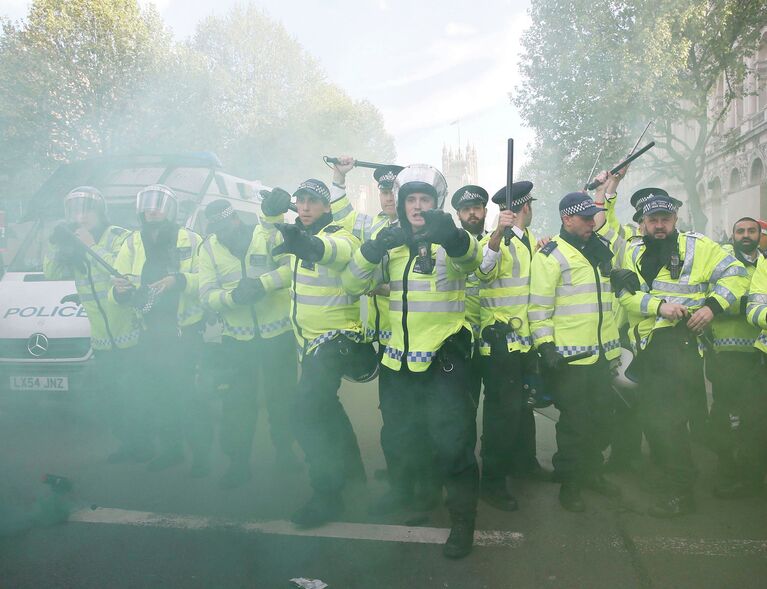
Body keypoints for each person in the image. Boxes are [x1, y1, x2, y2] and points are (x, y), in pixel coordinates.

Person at [344, 164, 482, 559]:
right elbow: (354, 283)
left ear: (435, 204)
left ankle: (462, 520)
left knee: (454, 443)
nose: (417, 206)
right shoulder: (387, 241)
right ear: (402, 205)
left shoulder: (449, 240)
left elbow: (472, 263)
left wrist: (454, 238)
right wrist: (372, 250)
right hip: (397, 359)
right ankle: (406, 493)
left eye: (425, 199)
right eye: (411, 200)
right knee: (399, 434)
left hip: (443, 358)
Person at [614, 192, 748, 517]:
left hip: (682, 345)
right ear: (643, 223)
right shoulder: (632, 250)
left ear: (675, 219)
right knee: (661, 420)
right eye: (652, 220)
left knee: (669, 420)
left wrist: (712, 307)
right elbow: (626, 297)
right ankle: (689, 476)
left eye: (665, 219)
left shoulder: (699, 245)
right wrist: (658, 305)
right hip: (647, 348)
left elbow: (737, 275)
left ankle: (682, 491)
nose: (659, 226)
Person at [270, 177, 370, 527]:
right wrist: (271, 215)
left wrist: (303, 242)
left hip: (333, 343)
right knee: (327, 408)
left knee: (304, 415)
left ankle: (327, 495)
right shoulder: (295, 233)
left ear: (328, 206)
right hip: (307, 344)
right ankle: (355, 474)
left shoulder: (343, 235)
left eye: (314, 201)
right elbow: (273, 246)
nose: (306, 206)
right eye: (301, 201)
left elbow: (328, 251)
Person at [528, 192, 622, 513]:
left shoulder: (598, 249)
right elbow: (538, 309)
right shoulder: (550, 255)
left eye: (593, 217)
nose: (591, 223)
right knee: (574, 425)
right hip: (569, 360)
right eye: (585, 218)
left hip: (602, 356)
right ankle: (571, 483)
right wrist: (546, 347)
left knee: (603, 418)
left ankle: (592, 473)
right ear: (567, 219)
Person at [197, 197, 299, 489]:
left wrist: (262, 284)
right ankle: (238, 462)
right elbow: (205, 294)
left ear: (236, 220)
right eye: (215, 230)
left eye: (224, 226)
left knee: (283, 398)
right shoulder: (209, 248)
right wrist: (232, 298)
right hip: (236, 340)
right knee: (238, 404)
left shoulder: (267, 235)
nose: (221, 235)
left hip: (277, 334)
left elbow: (292, 269)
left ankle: (285, 451)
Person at [111, 185, 212, 476]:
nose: (151, 210)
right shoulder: (131, 243)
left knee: (189, 397)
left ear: (170, 210)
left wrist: (178, 280)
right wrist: (119, 292)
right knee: (159, 395)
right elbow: (116, 285)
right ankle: (171, 450)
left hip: (184, 334)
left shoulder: (190, 239)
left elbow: (205, 277)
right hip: (149, 332)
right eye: (147, 206)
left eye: (158, 205)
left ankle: (202, 456)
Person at [44, 186, 146, 462]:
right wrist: (57, 245)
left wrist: (91, 245)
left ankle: (147, 444)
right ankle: (128, 445)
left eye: (87, 209)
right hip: (101, 337)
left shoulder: (120, 237)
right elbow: (52, 274)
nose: (81, 216)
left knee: (136, 394)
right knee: (113, 397)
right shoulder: (74, 242)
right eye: (75, 211)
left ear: (101, 212)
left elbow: (124, 273)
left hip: (130, 332)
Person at [474, 181, 536, 512]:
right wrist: (498, 233)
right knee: (501, 416)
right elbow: (484, 270)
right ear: (526, 207)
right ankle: (493, 483)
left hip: (524, 343)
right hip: (500, 347)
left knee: (523, 409)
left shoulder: (529, 243)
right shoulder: (494, 241)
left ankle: (525, 464)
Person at [708, 217, 765, 498]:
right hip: (726, 352)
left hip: (756, 353)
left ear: (759, 234)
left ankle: (748, 472)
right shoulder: (724, 260)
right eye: (740, 231)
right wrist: (750, 304)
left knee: (754, 417)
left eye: (751, 231)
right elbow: (716, 300)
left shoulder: (763, 262)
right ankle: (727, 468)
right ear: (732, 235)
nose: (745, 235)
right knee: (727, 413)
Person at [451, 184, 489, 407]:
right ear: (458, 215)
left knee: (500, 406)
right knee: (464, 406)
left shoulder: (500, 241)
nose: (472, 213)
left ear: (485, 210)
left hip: (495, 339)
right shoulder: (447, 248)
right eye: (466, 209)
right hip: (463, 342)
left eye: (476, 207)